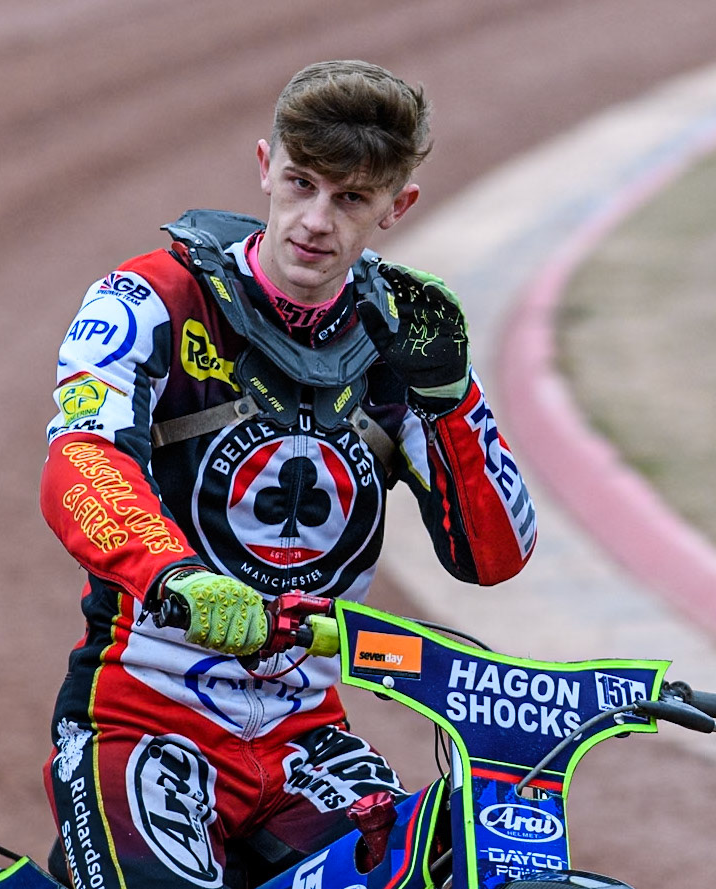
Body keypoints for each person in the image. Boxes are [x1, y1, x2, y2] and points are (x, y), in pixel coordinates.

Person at [39, 59, 537, 889]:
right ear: (265, 165)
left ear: (395, 206)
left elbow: (496, 556)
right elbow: (80, 460)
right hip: (143, 714)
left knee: (460, 861)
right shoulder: (148, 298)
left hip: (307, 732)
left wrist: (448, 399)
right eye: (301, 183)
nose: (314, 221)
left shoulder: (403, 336)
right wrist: (177, 575)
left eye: (349, 198)